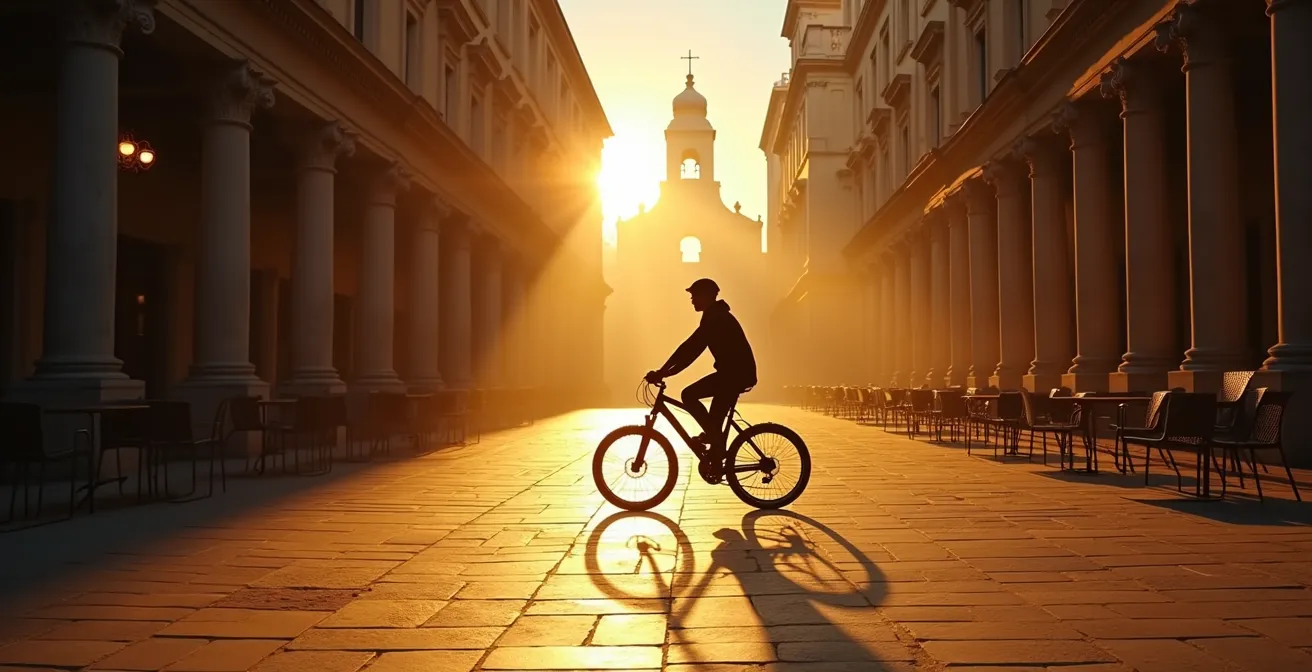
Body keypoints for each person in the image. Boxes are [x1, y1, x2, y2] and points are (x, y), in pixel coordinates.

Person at [645, 278, 757, 465]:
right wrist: (665, 371)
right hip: (733, 375)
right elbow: (689, 347)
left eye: (694, 296)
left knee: (688, 395)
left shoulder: (716, 317)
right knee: (713, 423)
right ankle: (715, 445)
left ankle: (717, 444)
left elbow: (691, 349)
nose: (692, 300)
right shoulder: (715, 315)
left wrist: (663, 372)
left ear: (706, 296)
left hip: (734, 376)